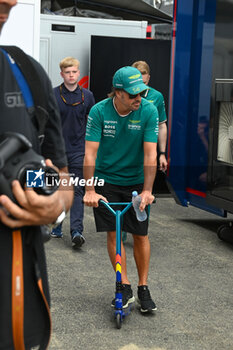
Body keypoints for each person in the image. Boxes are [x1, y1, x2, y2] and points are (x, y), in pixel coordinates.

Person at [0, 1, 73, 348]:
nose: (11, 3)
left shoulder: (27, 73)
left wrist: (56, 206)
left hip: (18, 307)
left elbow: (62, 179)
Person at [83, 66, 159, 313]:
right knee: (114, 233)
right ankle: (123, 284)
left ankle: (143, 287)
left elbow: (150, 153)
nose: (139, 98)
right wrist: (90, 190)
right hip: (107, 181)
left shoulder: (148, 110)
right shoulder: (99, 112)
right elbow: (90, 154)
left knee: (140, 234)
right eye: (133, 94)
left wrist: (147, 190)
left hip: (136, 181)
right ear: (117, 93)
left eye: (141, 93)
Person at [51, 57, 95, 248]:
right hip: (57, 151)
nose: (71, 75)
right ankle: (57, 225)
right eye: (67, 72)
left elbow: (93, 124)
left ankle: (76, 231)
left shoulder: (88, 96)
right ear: (62, 74)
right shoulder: (52, 95)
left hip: (79, 151)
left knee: (77, 190)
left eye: (74, 72)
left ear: (78, 73)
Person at [132, 60, 167, 171]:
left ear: (149, 77)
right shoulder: (123, 94)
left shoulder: (156, 96)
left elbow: (161, 125)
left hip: (147, 148)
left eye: (143, 74)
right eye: (138, 75)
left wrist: (162, 153)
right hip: (127, 146)